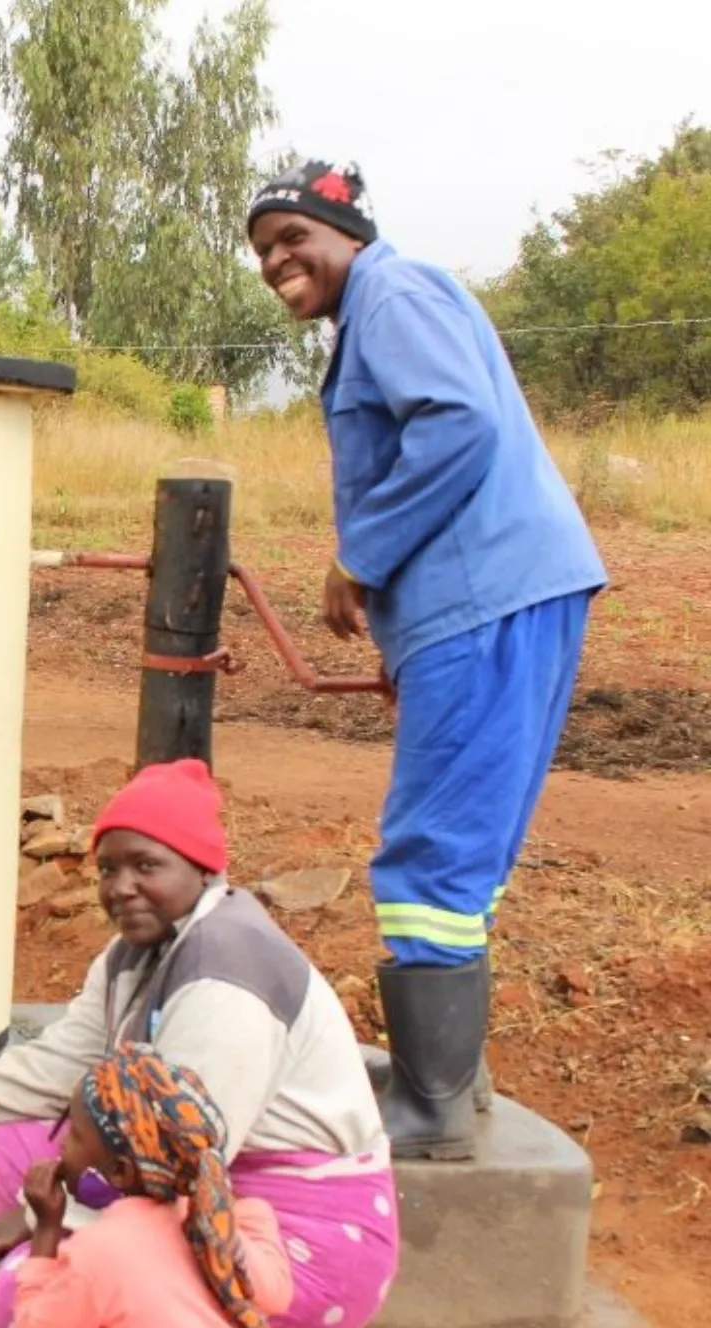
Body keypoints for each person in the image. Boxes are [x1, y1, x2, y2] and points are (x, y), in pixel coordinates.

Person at [0, 759, 396, 1328]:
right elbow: (50, 1072)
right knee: (13, 1149)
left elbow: (180, 1160)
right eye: (108, 869)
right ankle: (63, 1284)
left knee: (29, 1286)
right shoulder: (135, 952)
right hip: (201, 1180)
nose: (120, 888)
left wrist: (45, 1222)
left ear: (204, 869)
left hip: (299, 1233)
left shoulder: (227, 977)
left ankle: (56, 1296)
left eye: (145, 865)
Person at [246, 160, 607, 1160]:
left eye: (291, 237)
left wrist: (358, 557)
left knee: (429, 845)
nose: (277, 260)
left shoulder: (390, 292)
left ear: (344, 232)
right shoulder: (381, 304)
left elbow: (455, 423)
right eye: (261, 249)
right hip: (504, 593)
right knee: (465, 841)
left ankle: (430, 1108)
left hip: (480, 597)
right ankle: (451, 1079)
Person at [12, 1043, 292, 1328]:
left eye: (75, 1135)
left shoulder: (97, 1251)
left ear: (120, 1171)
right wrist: (229, 1203)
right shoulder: (206, 1225)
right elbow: (277, 1293)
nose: (62, 1145)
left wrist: (46, 1230)